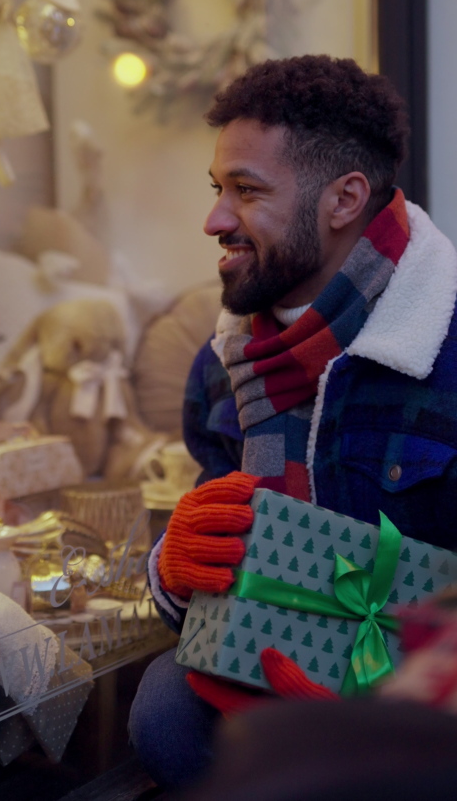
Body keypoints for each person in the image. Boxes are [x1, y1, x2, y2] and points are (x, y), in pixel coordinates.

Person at [129, 54, 457, 790]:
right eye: (219, 189)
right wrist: (173, 570)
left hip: (431, 697)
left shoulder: (446, 344)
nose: (214, 220)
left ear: (344, 198)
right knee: (162, 710)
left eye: (246, 191)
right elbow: (222, 564)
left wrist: (383, 702)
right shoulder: (223, 361)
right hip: (270, 662)